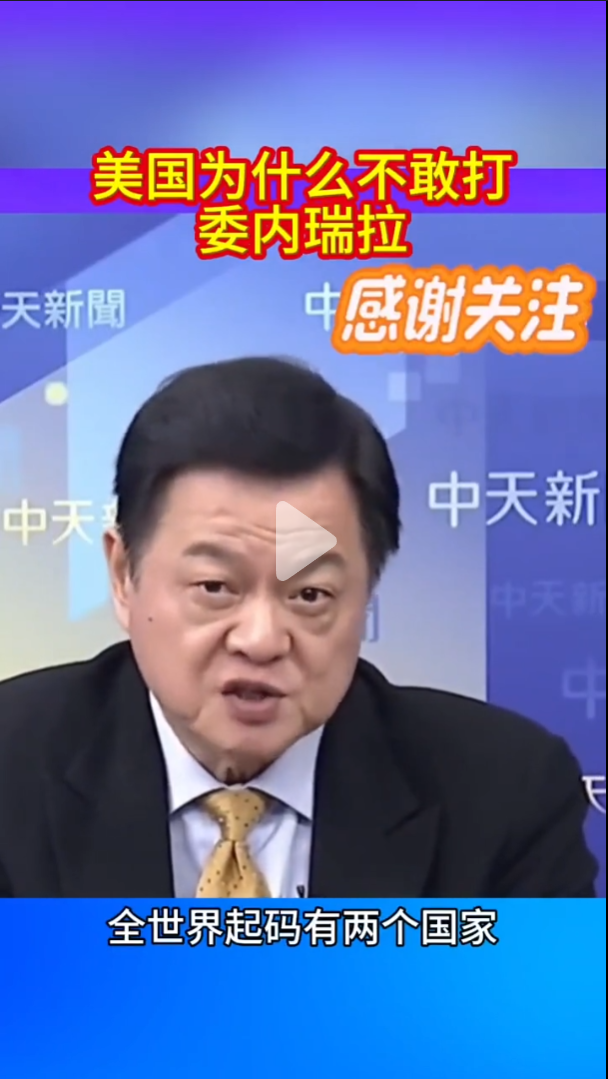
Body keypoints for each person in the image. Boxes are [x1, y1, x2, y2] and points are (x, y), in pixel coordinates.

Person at [0, 356, 597, 899]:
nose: (261, 639)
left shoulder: (504, 794)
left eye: (310, 595)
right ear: (123, 576)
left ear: (366, 594)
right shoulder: (12, 766)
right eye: (216, 587)